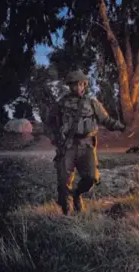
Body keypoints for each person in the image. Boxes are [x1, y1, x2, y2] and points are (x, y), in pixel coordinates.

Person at [46, 70, 126, 215]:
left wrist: (121, 127)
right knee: (63, 182)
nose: (77, 88)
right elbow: (49, 123)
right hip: (67, 146)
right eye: (73, 85)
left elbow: (106, 120)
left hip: (87, 145)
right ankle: (67, 215)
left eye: (80, 84)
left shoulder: (92, 102)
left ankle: (77, 194)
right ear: (69, 86)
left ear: (84, 85)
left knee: (91, 177)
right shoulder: (61, 104)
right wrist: (55, 139)